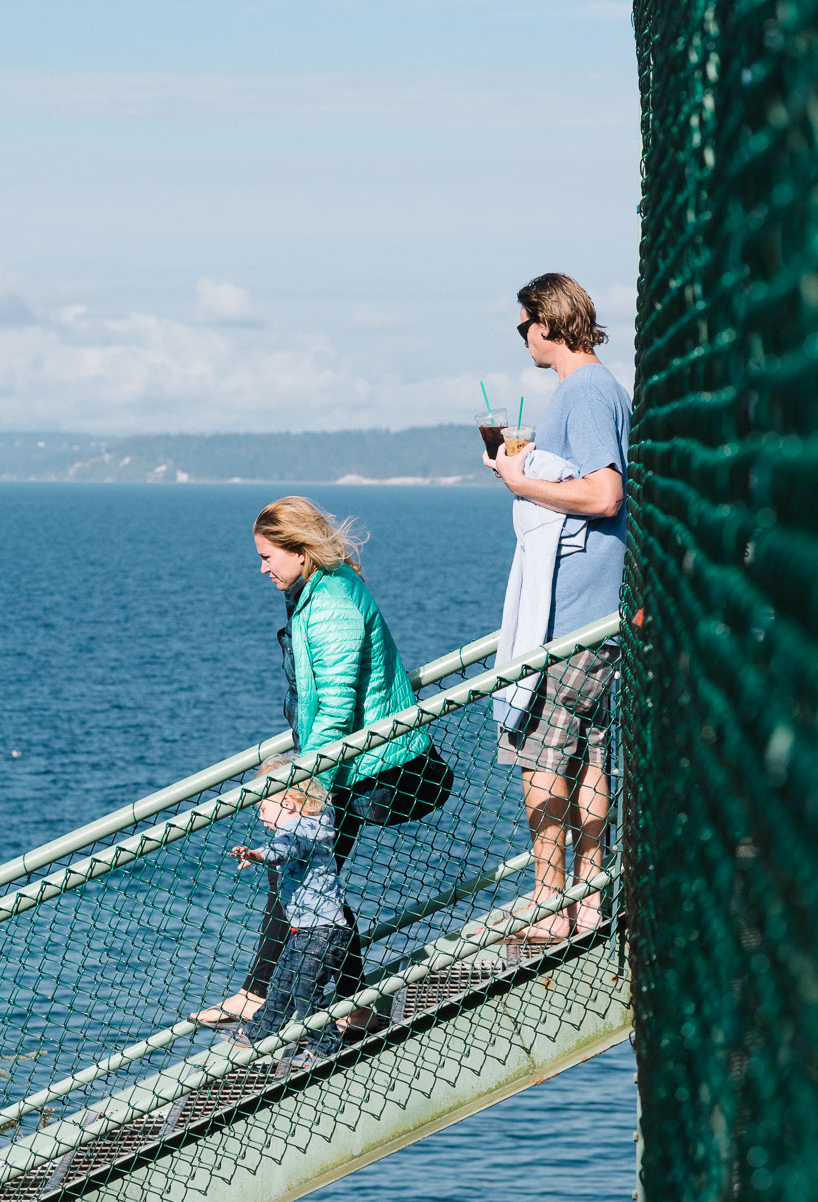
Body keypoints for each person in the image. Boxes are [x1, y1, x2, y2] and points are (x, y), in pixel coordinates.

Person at [191, 497, 451, 1029]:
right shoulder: (319, 590)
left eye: (268, 556)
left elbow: (335, 706)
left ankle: (268, 996)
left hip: (365, 767)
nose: (263, 568)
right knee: (313, 880)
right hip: (349, 762)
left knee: (307, 875)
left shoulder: (330, 603)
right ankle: (342, 1005)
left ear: (300, 549)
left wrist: (309, 784)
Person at [486, 273, 630, 941]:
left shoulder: (586, 392)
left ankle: (553, 903)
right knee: (591, 755)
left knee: (540, 752)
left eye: (524, 327)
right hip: (599, 612)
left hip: (570, 613)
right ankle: (593, 896)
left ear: (547, 321)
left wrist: (520, 482)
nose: (523, 340)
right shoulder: (599, 390)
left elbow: (604, 495)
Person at [226, 756, 350, 1064]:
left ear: (289, 804)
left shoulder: (302, 828)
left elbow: (285, 847)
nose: (260, 816)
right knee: (282, 979)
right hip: (306, 929)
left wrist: (257, 854)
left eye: (263, 808)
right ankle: (260, 1032)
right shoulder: (313, 823)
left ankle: (326, 1047)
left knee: (305, 989)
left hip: (322, 931)